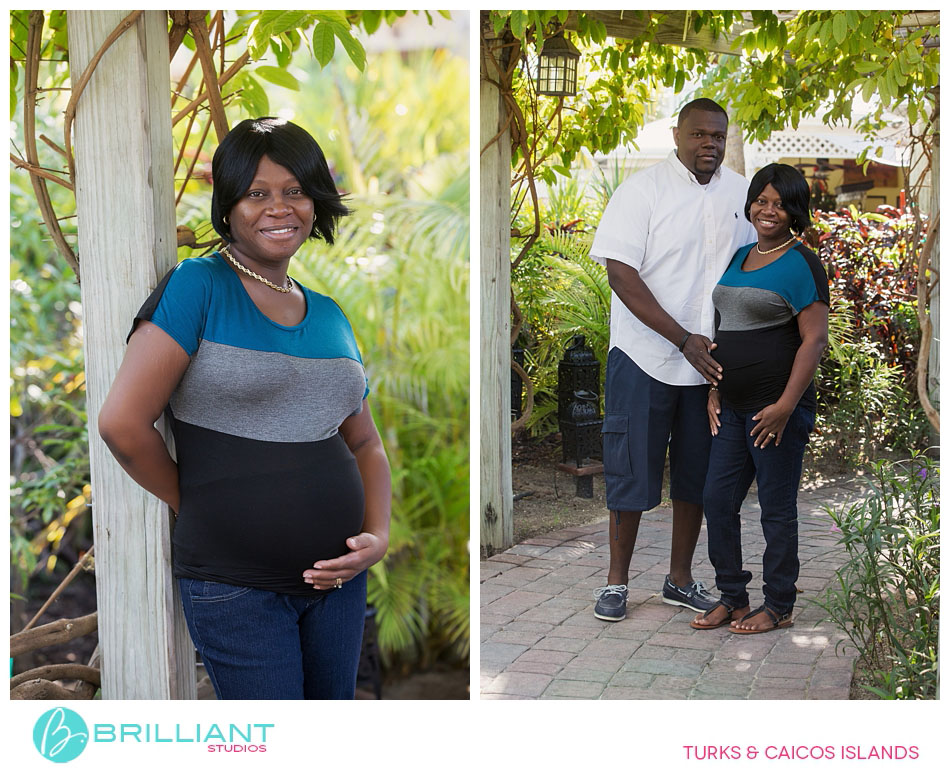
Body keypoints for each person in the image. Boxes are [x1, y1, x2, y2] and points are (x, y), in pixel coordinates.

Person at [97, 117, 392, 698]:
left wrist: (377, 536)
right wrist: (203, 503)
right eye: (257, 193)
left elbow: (365, 443)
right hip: (237, 587)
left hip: (338, 582)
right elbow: (122, 424)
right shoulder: (198, 286)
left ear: (316, 202)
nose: (279, 208)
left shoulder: (330, 313)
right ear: (228, 205)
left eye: (295, 191)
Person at [588, 98, 756, 622]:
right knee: (630, 472)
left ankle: (679, 580)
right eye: (700, 134)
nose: (710, 144)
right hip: (645, 358)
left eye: (719, 136)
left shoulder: (741, 195)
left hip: (711, 367)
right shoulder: (641, 192)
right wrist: (683, 338)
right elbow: (621, 275)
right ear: (678, 134)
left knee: (697, 476)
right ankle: (617, 583)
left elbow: (753, 267)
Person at [690, 163, 829, 634]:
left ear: (795, 211)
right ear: (751, 203)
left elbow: (813, 341)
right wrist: (715, 387)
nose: (769, 210)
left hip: (776, 411)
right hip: (731, 409)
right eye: (761, 201)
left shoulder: (803, 263)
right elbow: (726, 328)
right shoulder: (741, 255)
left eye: (780, 203)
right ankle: (731, 596)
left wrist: (788, 406)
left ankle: (778, 604)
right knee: (716, 499)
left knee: (775, 508)